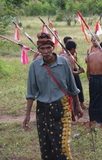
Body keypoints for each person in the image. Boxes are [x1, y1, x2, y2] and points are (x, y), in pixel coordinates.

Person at [23, 32, 83, 160]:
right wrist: (27, 114)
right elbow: (31, 92)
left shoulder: (64, 63)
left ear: (53, 48)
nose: (46, 51)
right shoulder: (34, 66)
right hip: (43, 109)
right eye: (42, 49)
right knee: (46, 143)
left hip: (62, 106)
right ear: (38, 50)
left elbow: (72, 87)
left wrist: (78, 105)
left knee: (62, 143)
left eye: (48, 48)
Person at [86, 46, 102, 129]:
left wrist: (89, 80)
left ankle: (92, 122)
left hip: (92, 79)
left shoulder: (90, 56)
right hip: (101, 78)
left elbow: (88, 70)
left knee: (93, 100)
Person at [61, 41, 87, 110]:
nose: (75, 50)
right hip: (71, 76)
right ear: (72, 49)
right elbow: (71, 73)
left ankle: (80, 104)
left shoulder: (61, 56)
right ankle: (74, 106)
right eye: (74, 49)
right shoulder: (69, 58)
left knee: (77, 89)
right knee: (75, 90)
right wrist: (79, 71)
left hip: (65, 76)